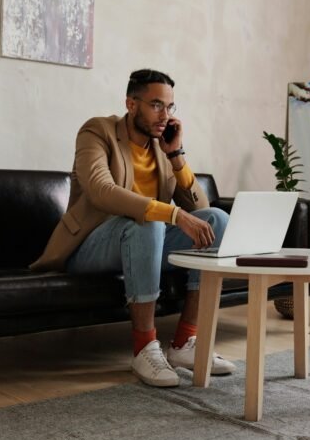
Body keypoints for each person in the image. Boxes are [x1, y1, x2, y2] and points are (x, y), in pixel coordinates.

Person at [30, 69, 236, 387]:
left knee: (217, 220)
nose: (164, 115)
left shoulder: (163, 145)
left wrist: (177, 156)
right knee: (149, 222)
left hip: (142, 239)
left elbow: (200, 209)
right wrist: (171, 214)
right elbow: (101, 189)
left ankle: (185, 343)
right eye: (156, 105)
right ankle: (143, 348)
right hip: (90, 245)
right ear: (131, 103)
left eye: (170, 107)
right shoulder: (96, 131)